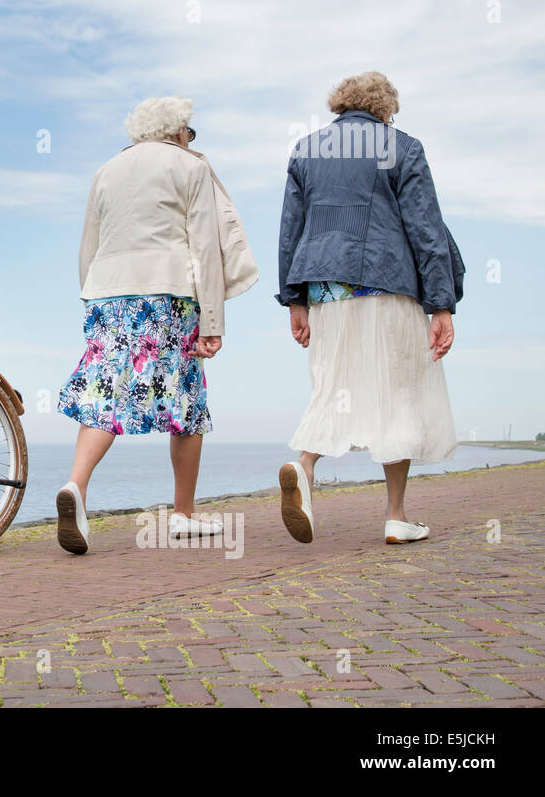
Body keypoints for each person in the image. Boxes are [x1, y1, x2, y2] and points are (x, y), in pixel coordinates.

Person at [55, 95, 257, 554]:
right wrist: (212, 320)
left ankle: (76, 487)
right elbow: (205, 246)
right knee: (186, 399)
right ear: (180, 130)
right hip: (167, 292)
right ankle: (183, 515)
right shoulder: (189, 166)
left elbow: (88, 246)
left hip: (108, 290)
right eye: (191, 131)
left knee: (106, 391)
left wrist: (92, 298)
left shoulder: (105, 171)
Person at [275, 71, 464, 545]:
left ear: (340, 104)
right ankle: (397, 516)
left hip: (326, 292)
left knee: (332, 387)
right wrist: (441, 304)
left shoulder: (306, 150)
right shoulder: (402, 146)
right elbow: (427, 228)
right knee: (396, 393)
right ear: (386, 108)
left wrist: (294, 299)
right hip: (388, 285)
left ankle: (304, 467)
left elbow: (290, 231)